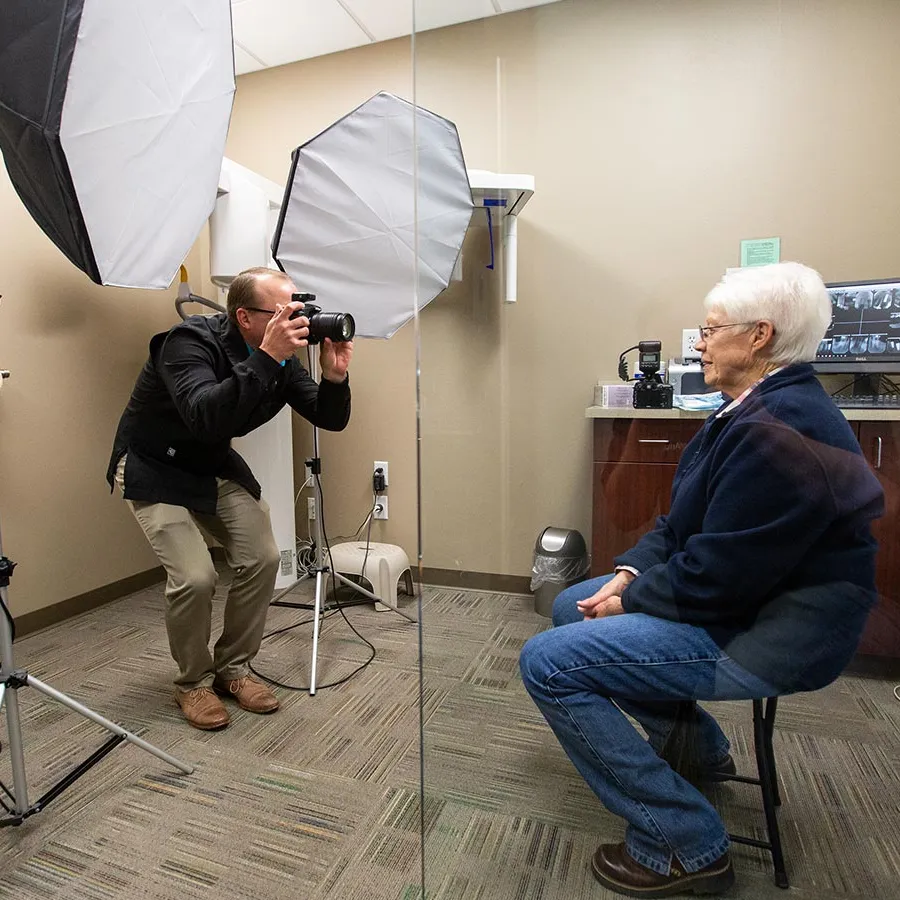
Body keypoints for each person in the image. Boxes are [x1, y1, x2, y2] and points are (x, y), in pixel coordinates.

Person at [519, 262, 884, 897]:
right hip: (750, 603)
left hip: (774, 634)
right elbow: (678, 523)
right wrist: (629, 573)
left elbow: (717, 579)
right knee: (573, 604)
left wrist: (628, 597)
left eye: (712, 330)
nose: (699, 343)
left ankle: (683, 842)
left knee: (547, 663)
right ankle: (699, 748)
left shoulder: (780, 431)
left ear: (760, 336)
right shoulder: (750, 409)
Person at [107, 267, 352, 730]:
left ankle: (232, 670)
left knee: (262, 557)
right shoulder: (185, 344)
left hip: (209, 465)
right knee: (196, 577)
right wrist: (268, 357)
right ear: (244, 316)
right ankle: (192, 683)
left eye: (297, 309)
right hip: (154, 466)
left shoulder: (281, 362)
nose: (296, 319)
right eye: (284, 311)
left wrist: (335, 377)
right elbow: (203, 415)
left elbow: (326, 416)